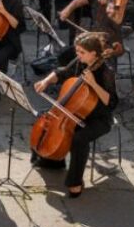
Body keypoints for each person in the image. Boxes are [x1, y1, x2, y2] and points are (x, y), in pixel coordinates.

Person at [32, 33, 118, 198]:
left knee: (79, 139)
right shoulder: (80, 62)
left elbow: (112, 102)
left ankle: (75, 182)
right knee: (48, 121)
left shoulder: (106, 72)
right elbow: (62, 72)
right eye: (77, 51)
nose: (78, 55)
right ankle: (54, 160)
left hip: (99, 118)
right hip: (76, 113)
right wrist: (46, 81)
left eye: (82, 52)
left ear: (94, 53)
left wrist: (93, 83)